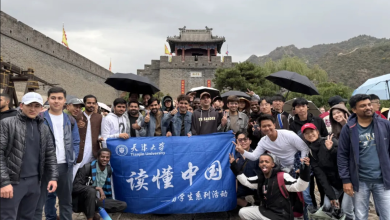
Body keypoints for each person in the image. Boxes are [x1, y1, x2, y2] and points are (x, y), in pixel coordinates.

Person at [0, 92, 58, 220]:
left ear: (41, 108)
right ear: (21, 105)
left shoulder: (43, 128)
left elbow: (50, 155)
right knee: (7, 217)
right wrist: (3, 182)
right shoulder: (7, 123)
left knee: (27, 217)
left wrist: (53, 177)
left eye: (37, 105)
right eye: (29, 105)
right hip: (13, 182)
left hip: (35, 182)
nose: (33, 109)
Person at [338, 94, 390, 220]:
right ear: (354, 110)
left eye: (369, 104)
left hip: (382, 180)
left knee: (387, 215)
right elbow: (342, 155)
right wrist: (346, 180)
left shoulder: (384, 124)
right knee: (360, 216)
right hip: (360, 181)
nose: (368, 107)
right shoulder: (349, 128)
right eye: (363, 106)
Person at [34, 87, 80, 220]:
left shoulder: (70, 120)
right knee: (43, 200)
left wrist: (73, 157)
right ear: (48, 99)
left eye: (60, 98)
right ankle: (50, 218)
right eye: (53, 98)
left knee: (66, 201)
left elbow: (76, 141)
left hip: (65, 165)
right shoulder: (40, 118)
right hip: (45, 165)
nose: (56, 101)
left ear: (65, 101)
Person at [231, 153, 311, 220]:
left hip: (281, 215)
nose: (264, 163)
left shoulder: (282, 176)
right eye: (261, 162)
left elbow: (300, 187)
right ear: (259, 165)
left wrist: (305, 170)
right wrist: (234, 166)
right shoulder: (260, 178)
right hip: (266, 210)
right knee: (243, 212)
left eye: (267, 161)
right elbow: (246, 181)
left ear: (272, 164)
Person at [301, 123, 354, 220]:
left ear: (317, 132)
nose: (310, 134)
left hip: (347, 180)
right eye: (306, 133)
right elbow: (321, 176)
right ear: (304, 136)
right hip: (334, 184)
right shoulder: (311, 152)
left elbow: (344, 159)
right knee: (327, 207)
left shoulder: (330, 140)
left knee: (347, 210)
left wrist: (331, 150)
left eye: (312, 131)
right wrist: (331, 195)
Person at [235, 114, 309, 175]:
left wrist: (302, 166)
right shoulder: (263, 141)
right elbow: (254, 156)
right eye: (264, 126)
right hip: (285, 169)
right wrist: (242, 151)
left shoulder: (288, 134)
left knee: (305, 193)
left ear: (274, 125)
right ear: (260, 128)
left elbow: (304, 148)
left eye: (269, 125)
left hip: (299, 165)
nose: (267, 128)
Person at [72, 148, 127, 220]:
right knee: (91, 191)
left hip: (95, 201)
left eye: (107, 157)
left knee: (122, 205)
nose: (105, 159)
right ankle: (90, 216)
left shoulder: (108, 169)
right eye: (102, 157)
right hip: (81, 201)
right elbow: (75, 187)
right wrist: (96, 188)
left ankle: (92, 211)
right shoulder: (87, 168)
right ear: (98, 157)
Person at [73, 95, 103, 180]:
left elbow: (101, 133)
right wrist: (77, 127)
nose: (91, 105)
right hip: (79, 151)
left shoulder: (99, 117)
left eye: (93, 103)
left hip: (93, 152)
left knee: (91, 176)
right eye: (89, 103)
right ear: (84, 103)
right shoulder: (77, 117)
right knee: (74, 174)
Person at [229, 132, 259, 207]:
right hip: (240, 186)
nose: (243, 142)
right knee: (229, 197)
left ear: (250, 141)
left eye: (245, 139)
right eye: (240, 140)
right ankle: (247, 204)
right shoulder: (234, 156)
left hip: (254, 185)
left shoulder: (256, 154)